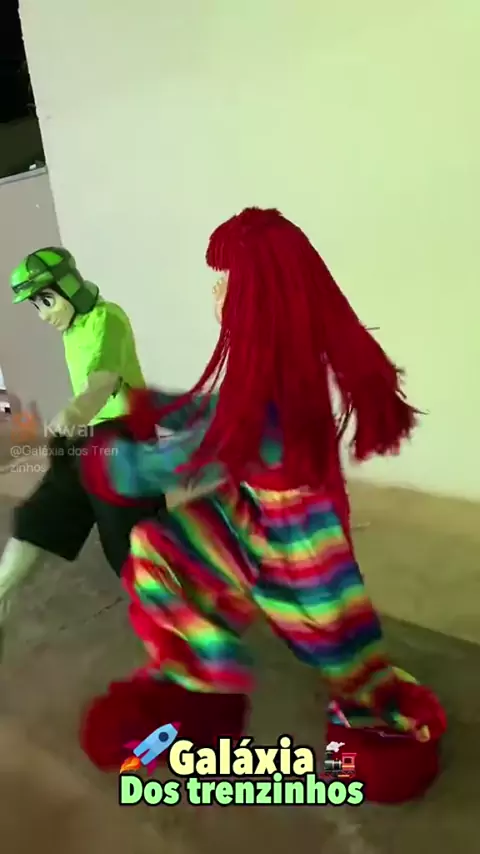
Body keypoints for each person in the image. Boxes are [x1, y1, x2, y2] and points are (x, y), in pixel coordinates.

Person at [78, 208, 445, 802]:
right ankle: (200, 685)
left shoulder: (280, 397)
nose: (215, 294)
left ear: (261, 296)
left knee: (342, 650)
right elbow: (220, 413)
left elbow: (210, 446)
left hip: (298, 543)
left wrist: (114, 463)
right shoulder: (270, 371)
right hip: (247, 514)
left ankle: (383, 727)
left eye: (226, 282)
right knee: (162, 549)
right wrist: (156, 405)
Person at [0, 247, 165, 623]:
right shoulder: (71, 329)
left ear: (69, 286)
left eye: (46, 300)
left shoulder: (109, 318)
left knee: (131, 549)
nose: (44, 315)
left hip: (125, 440)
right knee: (38, 517)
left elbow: (102, 381)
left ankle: (182, 630)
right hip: (86, 440)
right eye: (36, 305)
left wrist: (74, 413)